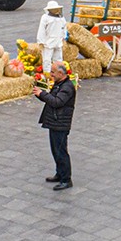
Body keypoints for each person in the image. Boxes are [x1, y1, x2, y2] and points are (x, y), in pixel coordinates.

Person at [32, 61, 75, 190]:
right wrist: (40, 94)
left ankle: (66, 179)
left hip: (60, 124)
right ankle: (60, 173)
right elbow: (51, 99)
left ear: (61, 73)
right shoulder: (59, 84)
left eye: (52, 72)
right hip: (55, 122)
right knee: (55, 150)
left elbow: (57, 102)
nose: (51, 74)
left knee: (61, 152)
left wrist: (42, 94)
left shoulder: (67, 87)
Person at [37, 1, 68, 67]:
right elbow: (41, 30)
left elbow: (64, 28)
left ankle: (59, 73)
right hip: (48, 42)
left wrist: (64, 37)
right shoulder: (45, 17)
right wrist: (41, 42)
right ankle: (47, 74)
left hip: (58, 42)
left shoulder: (61, 18)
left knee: (59, 59)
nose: (56, 10)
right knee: (47, 60)